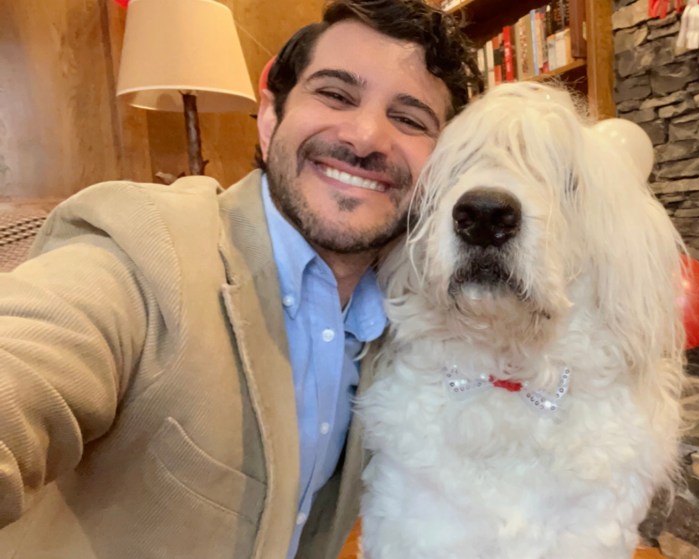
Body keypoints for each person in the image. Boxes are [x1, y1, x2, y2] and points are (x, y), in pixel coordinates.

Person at [0, 1, 480, 557]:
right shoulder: (143, 246)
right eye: (335, 94)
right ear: (270, 116)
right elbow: (27, 360)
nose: (366, 135)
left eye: (410, 119)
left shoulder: (417, 316)